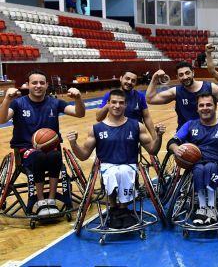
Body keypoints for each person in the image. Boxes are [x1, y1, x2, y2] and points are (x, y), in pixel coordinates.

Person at [67, 89, 165, 228]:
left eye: (121, 103)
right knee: (114, 172)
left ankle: (123, 209)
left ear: (126, 105)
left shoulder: (137, 126)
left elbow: (153, 150)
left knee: (123, 171)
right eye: (113, 102)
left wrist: (159, 136)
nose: (117, 106)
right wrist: (73, 143)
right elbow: (83, 156)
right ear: (108, 104)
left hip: (129, 166)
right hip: (107, 167)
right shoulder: (96, 128)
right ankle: (114, 209)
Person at [0, 70, 85, 216]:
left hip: (51, 150)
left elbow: (79, 113)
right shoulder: (18, 103)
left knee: (55, 155)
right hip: (26, 150)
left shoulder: (55, 102)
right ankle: (40, 201)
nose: (38, 86)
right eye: (34, 83)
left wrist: (78, 98)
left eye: (41, 83)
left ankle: (50, 200)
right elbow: (1, 120)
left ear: (46, 85)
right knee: (39, 156)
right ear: (27, 85)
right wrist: (7, 99)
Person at [167, 92, 218, 225]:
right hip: (198, 164)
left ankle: (212, 207)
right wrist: (176, 149)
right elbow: (172, 141)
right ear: (197, 108)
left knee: (210, 167)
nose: (205, 108)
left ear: (215, 107)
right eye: (201, 105)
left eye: (209, 105)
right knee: (199, 168)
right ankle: (202, 207)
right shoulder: (190, 124)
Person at [145, 61, 218, 131]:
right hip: (185, 134)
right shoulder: (176, 92)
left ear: (193, 73)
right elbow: (150, 99)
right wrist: (154, 78)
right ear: (177, 77)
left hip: (207, 132)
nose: (185, 77)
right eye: (181, 75)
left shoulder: (211, 88)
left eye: (187, 73)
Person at [96, 70, 155, 138]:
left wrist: (154, 137)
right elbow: (98, 118)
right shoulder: (110, 95)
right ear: (121, 78)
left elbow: (146, 117)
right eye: (127, 78)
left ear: (135, 83)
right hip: (115, 134)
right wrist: (108, 105)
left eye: (133, 80)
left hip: (134, 135)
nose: (129, 82)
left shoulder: (140, 96)